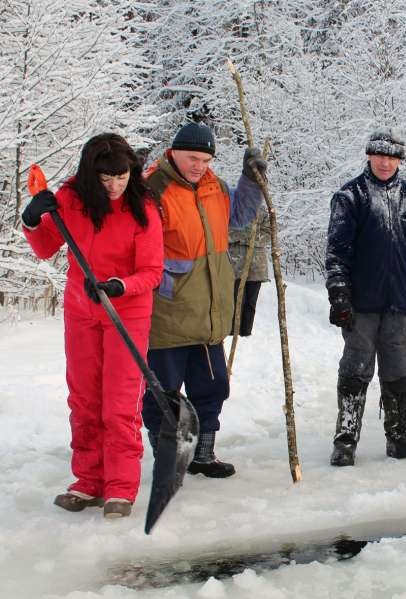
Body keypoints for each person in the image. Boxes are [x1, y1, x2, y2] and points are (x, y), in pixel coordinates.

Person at [22, 133, 163, 518]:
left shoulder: (142, 208)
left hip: (126, 315)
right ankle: (88, 481)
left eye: (122, 177)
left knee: (119, 404)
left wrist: (120, 286)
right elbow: (44, 247)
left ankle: (120, 486)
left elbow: (151, 272)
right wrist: (33, 218)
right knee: (84, 399)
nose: (116, 186)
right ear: (90, 175)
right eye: (106, 180)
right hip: (81, 311)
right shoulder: (70, 199)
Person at [141, 122, 266, 478]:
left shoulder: (214, 186)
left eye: (206, 159)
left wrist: (251, 180)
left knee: (212, 387)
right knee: (164, 393)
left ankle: (203, 454)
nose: (199, 165)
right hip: (168, 313)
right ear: (173, 152)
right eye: (193, 157)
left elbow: (238, 217)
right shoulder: (152, 189)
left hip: (209, 313)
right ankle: (168, 458)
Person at [325, 127, 406, 466]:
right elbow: (337, 253)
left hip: (400, 301)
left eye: (392, 157)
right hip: (362, 303)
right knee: (356, 368)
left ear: (400, 160)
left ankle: (399, 434)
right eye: (380, 156)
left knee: (399, 370)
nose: (386, 163)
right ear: (369, 156)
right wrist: (339, 292)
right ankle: (346, 439)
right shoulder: (350, 196)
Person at [229, 206, 270, 336]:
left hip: (256, 266)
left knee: (250, 302)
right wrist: (245, 236)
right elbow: (225, 232)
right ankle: (232, 331)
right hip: (235, 264)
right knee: (234, 300)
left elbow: (269, 233)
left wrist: (246, 237)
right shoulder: (232, 209)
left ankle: (246, 332)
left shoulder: (263, 211)